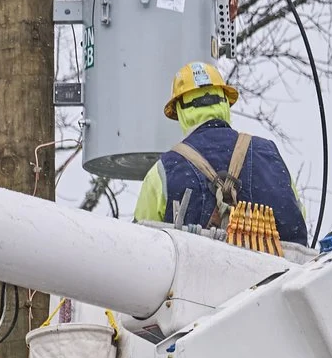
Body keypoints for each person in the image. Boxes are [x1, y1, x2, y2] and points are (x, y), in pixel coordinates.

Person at [132, 61, 309, 246]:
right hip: (282, 273)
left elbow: (140, 245)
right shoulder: (270, 155)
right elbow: (297, 221)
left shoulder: (163, 171)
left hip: (197, 273)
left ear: (180, 111)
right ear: (225, 102)